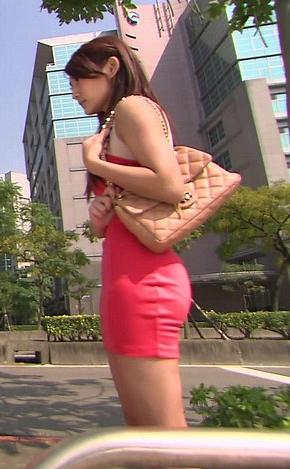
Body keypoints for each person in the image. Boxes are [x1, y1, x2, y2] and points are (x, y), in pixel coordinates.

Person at [66, 36, 190, 428]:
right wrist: (101, 218)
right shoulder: (114, 123)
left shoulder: (133, 107)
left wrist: (95, 164)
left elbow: (170, 185)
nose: (75, 93)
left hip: (145, 282)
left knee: (165, 438)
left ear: (111, 67)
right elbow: (126, 209)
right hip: (125, 280)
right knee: (142, 434)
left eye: (79, 80)